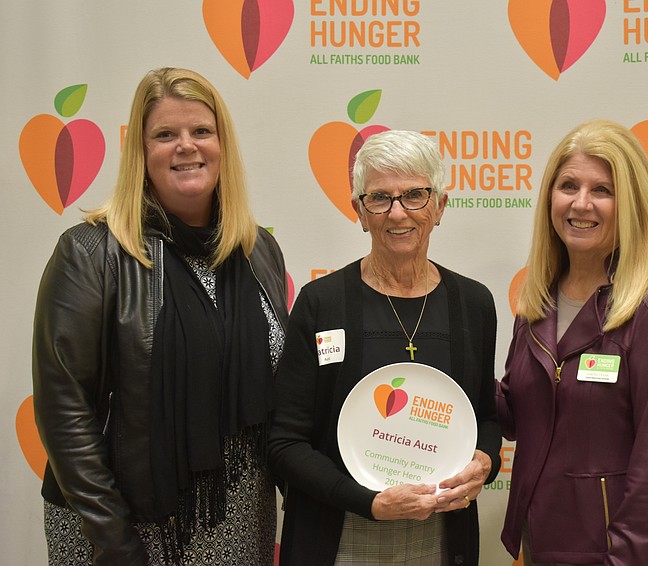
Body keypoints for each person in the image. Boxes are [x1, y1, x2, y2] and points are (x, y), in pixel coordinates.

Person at [32, 67, 288, 566]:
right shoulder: (91, 254)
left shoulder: (259, 251)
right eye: (165, 134)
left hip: (241, 517)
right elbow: (64, 413)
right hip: (120, 527)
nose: (185, 147)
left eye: (201, 131)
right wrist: (116, 544)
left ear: (222, 145)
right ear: (141, 151)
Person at [267, 129, 502, 565]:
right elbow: (285, 443)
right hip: (340, 535)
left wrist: (485, 463)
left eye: (415, 195)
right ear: (359, 210)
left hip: (442, 537)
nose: (398, 214)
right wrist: (369, 502)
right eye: (379, 198)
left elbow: (486, 415)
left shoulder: (473, 303)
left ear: (440, 206)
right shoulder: (322, 303)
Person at [497, 119, 648, 566]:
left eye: (602, 190)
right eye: (568, 185)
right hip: (541, 535)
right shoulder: (536, 302)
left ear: (630, 203)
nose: (581, 203)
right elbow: (516, 415)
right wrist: (448, 365)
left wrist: (624, 559)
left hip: (616, 549)